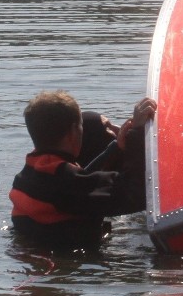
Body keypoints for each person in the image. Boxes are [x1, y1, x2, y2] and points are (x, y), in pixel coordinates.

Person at [9, 90, 157, 246]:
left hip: (36, 251)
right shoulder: (66, 181)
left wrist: (117, 149)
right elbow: (136, 194)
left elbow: (84, 180)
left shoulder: (27, 174)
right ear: (74, 131)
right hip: (72, 260)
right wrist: (138, 133)